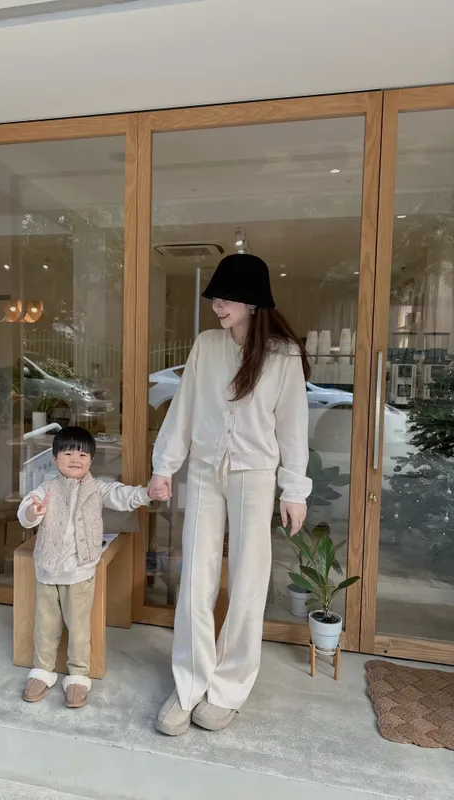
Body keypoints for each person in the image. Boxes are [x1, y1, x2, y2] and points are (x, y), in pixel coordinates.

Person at [149, 253, 311, 736]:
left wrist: (294, 489)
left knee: (248, 580)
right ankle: (189, 684)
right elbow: (183, 408)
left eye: (228, 298)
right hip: (203, 471)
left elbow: (293, 426)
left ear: (254, 302)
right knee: (195, 577)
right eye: (215, 298)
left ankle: (229, 687)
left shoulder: (283, 355)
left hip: (255, 476)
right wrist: (164, 467)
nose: (218, 305)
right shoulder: (206, 345)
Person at [18, 426, 150, 709]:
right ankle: (42, 670)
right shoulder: (46, 489)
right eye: (68, 453)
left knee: (79, 628)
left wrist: (147, 493)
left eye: (82, 454)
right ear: (55, 459)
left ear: (91, 459)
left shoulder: (97, 488)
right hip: (47, 571)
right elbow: (26, 512)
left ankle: (78, 675)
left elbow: (122, 496)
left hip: (80, 572)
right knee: (45, 626)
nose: (75, 459)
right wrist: (33, 511)